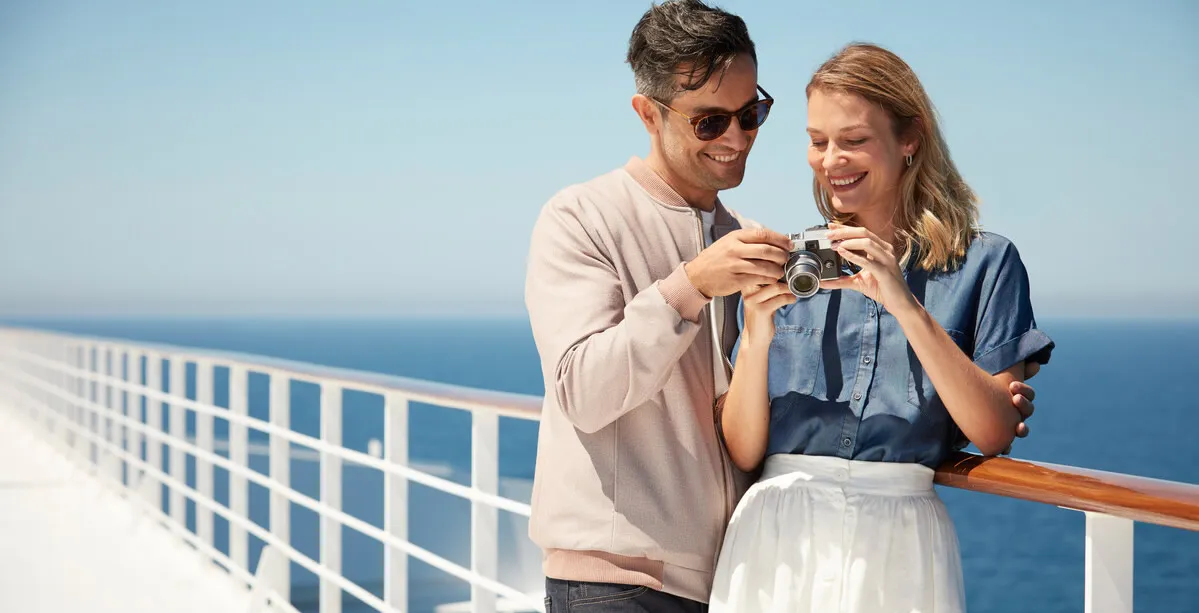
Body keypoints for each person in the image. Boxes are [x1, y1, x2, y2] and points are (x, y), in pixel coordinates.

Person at [525, 2, 1041, 611]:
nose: (738, 137)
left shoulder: (759, 245)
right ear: (647, 113)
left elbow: (992, 429)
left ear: (910, 141)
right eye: (710, 122)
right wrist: (699, 289)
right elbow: (584, 391)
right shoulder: (584, 218)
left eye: (751, 115)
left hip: (736, 565)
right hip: (623, 577)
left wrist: (910, 316)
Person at [708, 42, 1056, 612]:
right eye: (817, 141)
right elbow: (746, 452)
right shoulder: (792, 265)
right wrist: (758, 332)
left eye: (854, 140)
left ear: (909, 138)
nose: (830, 159)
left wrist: (906, 305)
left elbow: (992, 432)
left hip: (901, 545)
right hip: (774, 544)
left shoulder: (987, 264)